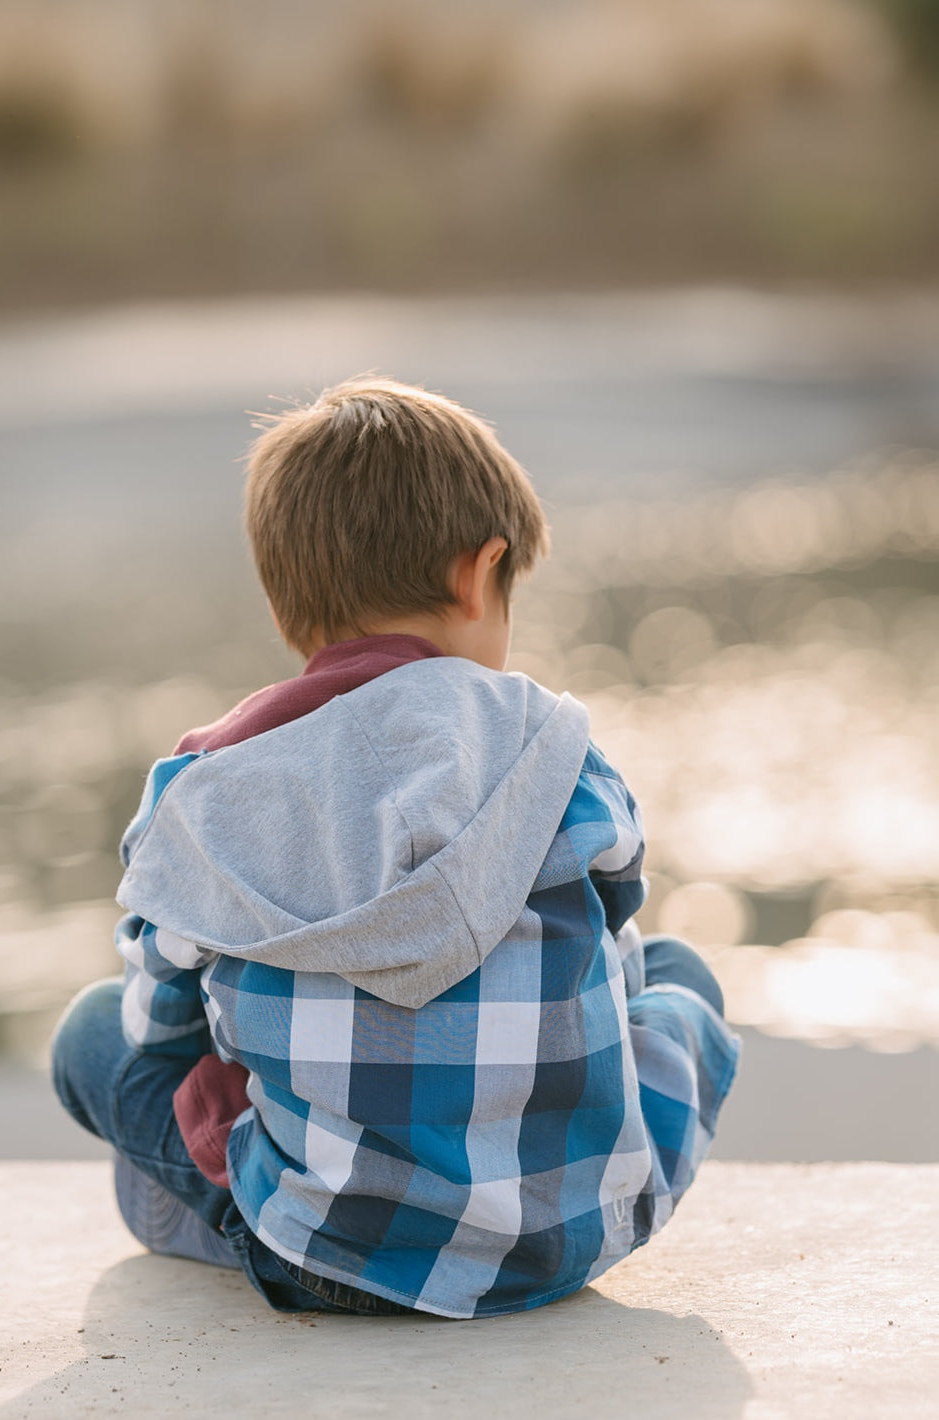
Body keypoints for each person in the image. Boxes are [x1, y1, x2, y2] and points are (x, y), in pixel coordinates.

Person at [52, 377, 739, 1320]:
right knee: (674, 969)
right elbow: (610, 967)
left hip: (325, 1253)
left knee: (92, 1030)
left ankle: (220, 1219)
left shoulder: (206, 785)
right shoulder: (556, 750)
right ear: (478, 571)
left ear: (286, 601)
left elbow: (163, 1023)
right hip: (575, 1238)